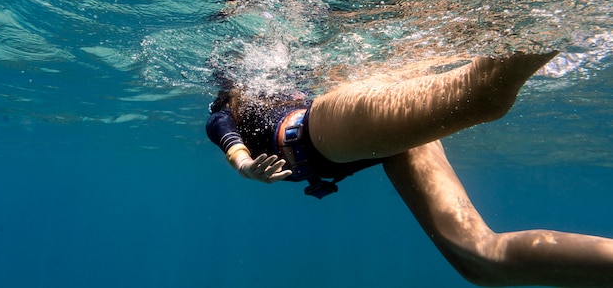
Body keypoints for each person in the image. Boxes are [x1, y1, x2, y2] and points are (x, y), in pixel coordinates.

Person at [206, 51, 613, 287]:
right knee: (481, 261)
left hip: (318, 133)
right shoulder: (223, 112)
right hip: (372, 146)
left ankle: (538, 12)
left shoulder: (281, 92)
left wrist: (248, 169)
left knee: (482, 94)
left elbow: (240, 155)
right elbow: (232, 146)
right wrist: (247, 169)